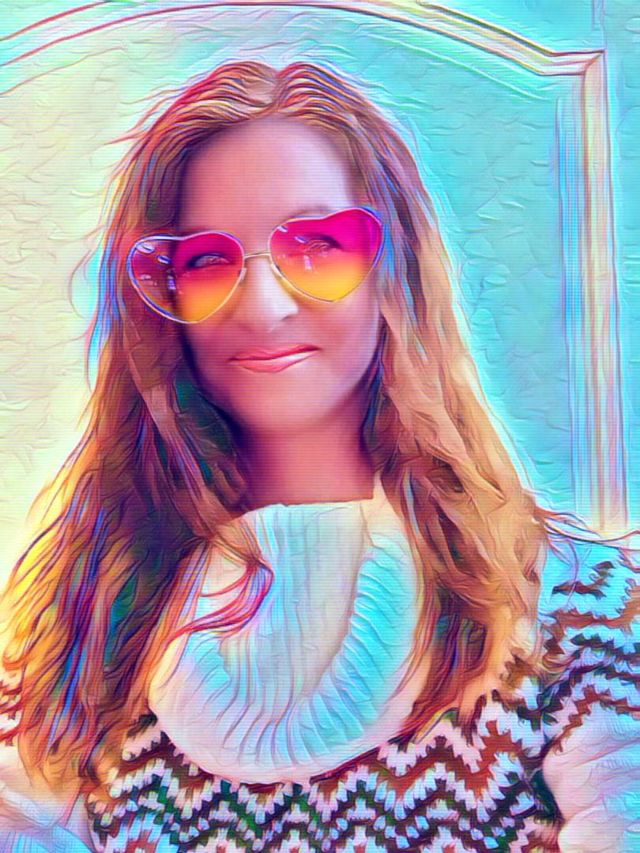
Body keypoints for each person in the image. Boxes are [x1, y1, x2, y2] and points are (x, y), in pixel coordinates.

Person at [0, 60, 638, 853]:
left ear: (396, 270)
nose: (264, 306)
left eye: (318, 246)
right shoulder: (77, 623)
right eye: (204, 261)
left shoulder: (579, 603)